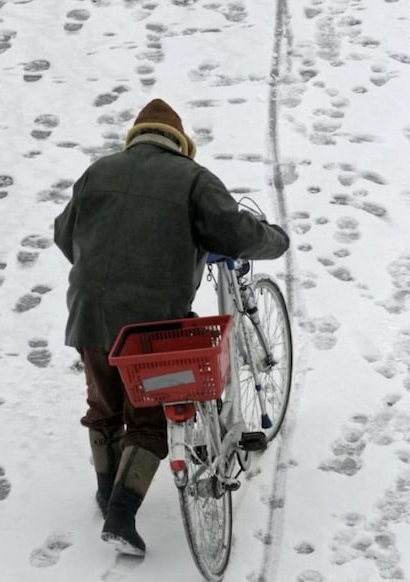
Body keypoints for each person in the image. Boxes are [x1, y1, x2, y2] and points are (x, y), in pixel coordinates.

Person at [53, 98, 289, 557]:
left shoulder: (97, 172)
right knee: (149, 415)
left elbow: (65, 234)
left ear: (134, 137)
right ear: (181, 143)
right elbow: (235, 234)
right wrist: (275, 239)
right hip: (152, 327)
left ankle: (107, 494)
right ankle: (122, 513)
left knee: (102, 404)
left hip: (88, 313)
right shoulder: (193, 178)